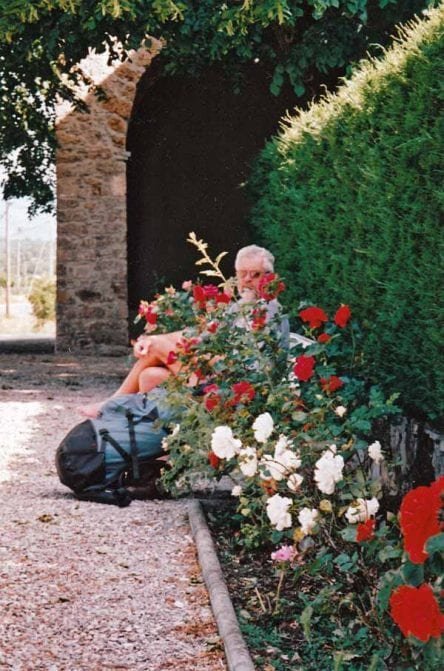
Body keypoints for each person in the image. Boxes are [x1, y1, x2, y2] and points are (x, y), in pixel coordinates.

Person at [78, 244, 284, 418]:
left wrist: (192, 354)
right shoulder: (237, 309)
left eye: (255, 275)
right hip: (213, 380)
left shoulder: (269, 310)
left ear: (269, 277)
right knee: (150, 375)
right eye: (242, 274)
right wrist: (153, 338)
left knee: (156, 348)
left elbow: (247, 365)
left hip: (231, 390)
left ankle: (109, 406)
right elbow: (199, 335)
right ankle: (154, 444)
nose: (247, 280)